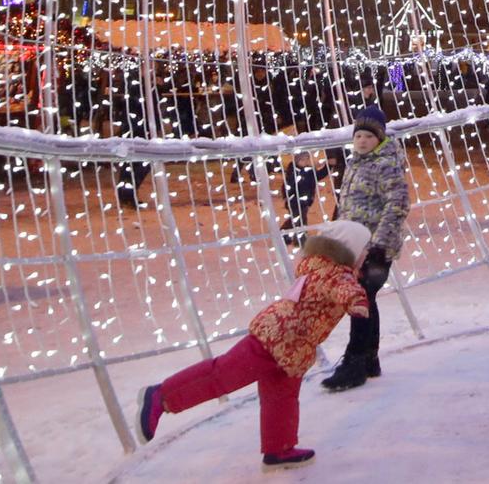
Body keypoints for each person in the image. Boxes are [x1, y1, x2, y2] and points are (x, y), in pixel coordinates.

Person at [138, 220, 371, 468]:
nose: (367, 254)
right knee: (224, 374)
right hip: (276, 338)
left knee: (281, 397)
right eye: (364, 249)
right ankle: (162, 396)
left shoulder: (323, 266)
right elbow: (344, 289)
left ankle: (279, 449)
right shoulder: (335, 274)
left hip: (294, 348)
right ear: (350, 249)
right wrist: (357, 300)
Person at [322, 106, 408, 392]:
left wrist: (378, 245)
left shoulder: (385, 164)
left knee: (360, 298)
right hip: (356, 245)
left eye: (368, 136)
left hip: (376, 247)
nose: (361, 141)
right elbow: (346, 202)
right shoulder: (357, 161)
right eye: (357, 135)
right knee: (365, 298)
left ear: (380, 138)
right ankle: (369, 359)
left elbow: (397, 205)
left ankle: (355, 363)